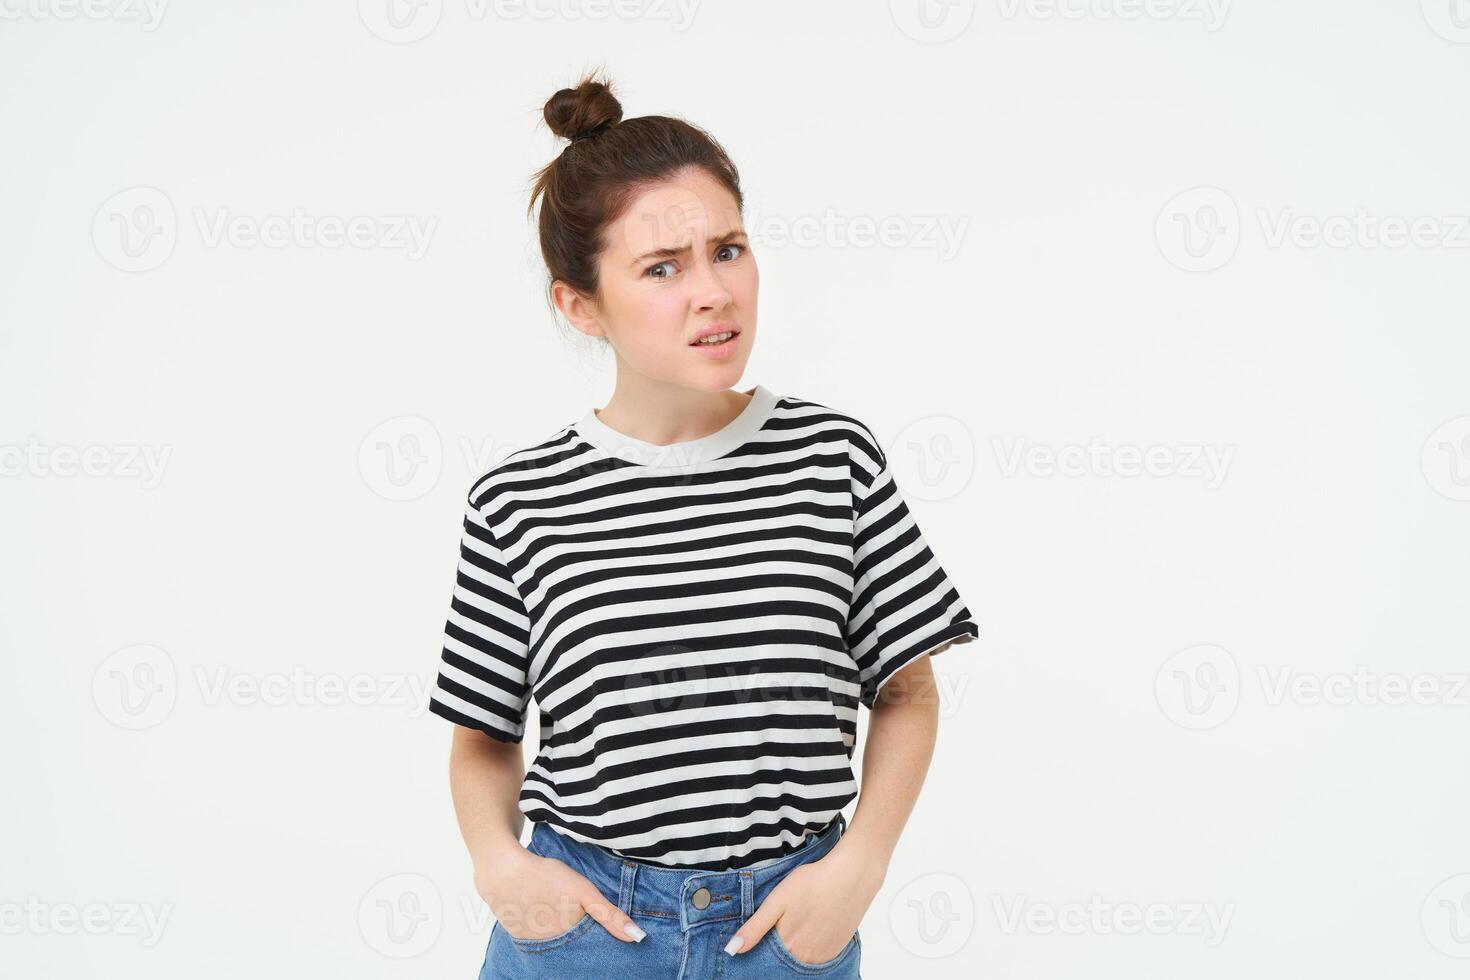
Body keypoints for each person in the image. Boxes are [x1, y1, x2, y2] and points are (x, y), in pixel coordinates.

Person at [428, 71, 979, 980]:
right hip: (585, 933)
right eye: (661, 268)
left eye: (728, 249)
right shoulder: (518, 500)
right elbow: (483, 736)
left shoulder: (831, 459)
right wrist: (500, 865)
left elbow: (909, 693)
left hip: (786, 927)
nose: (713, 291)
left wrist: (860, 868)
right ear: (580, 304)